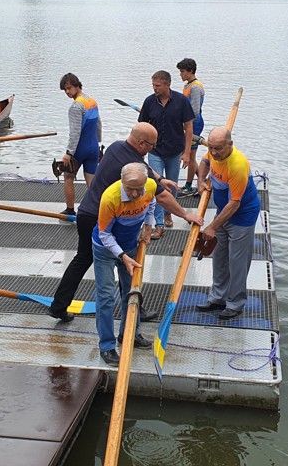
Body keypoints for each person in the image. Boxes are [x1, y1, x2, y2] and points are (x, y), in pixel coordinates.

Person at [48, 122, 202, 323]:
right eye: (152, 145)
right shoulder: (133, 165)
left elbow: (144, 167)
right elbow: (162, 197)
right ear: (141, 143)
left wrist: (160, 179)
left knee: (82, 259)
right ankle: (134, 309)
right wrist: (185, 215)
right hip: (103, 218)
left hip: (86, 213)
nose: (153, 149)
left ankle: (59, 306)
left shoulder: (116, 147)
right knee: (126, 262)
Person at [91, 163, 158, 366]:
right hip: (104, 249)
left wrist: (148, 227)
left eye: (139, 189)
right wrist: (122, 256)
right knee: (105, 296)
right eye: (130, 189)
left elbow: (151, 203)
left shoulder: (151, 186)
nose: (135, 194)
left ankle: (129, 334)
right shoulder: (110, 198)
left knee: (132, 292)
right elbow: (104, 234)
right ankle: (107, 346)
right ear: (122, 182)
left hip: (130, 246)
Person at [196, 127, 261, 320]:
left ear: (230, 144)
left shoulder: (237, 165)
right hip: (222, 211)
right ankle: (218, 298)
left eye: (218, 148)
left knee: (237, 261)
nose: (213, 152)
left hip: (242, 215)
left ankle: (235, 303)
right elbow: (205, 162)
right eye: (211, 147)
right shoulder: (214, 152)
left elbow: (234, 204)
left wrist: (212, 227)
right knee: (219, 256)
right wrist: (201, 181)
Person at [138, 70, 194, 238]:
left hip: (175, 151)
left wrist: (187, 152)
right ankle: (159, 223)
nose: (154, 88)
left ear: (167, 84)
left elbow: (189, 127)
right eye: (153, 85)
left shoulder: (181, 101)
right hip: (155, 151)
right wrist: (139, 150)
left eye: (157, 85)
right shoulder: (149, 102)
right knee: (156, 186)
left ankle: (169, 212)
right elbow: (141, 127)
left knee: (172, 186)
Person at [57, 73, 101, 216]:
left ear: (77, 85)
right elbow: (98, 124)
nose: (67, 92)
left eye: (69, 88)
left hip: (80, 150)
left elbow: (75, 132)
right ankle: (99, 212)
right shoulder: (91, 101)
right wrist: (98, 142)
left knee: (68, 177)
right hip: (93, 147)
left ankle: (70, 210)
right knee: (92, 183)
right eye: (65, 90)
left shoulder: (76, 107)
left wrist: (69, 153)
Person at [176, 58, 204, 198]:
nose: (180, 74)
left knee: (191, 156)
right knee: (190, 155)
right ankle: (202, 180)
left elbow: (195, 111)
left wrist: (184, 124)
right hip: (187, 122)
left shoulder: (195, 88)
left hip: (194, 124)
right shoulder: (188, 85)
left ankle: (188, 186)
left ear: (191, 71)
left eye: (182, 72)